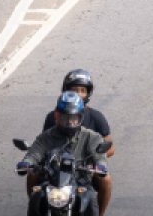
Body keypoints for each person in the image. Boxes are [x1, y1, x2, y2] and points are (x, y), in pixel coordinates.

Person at [21, 92, 110, 216]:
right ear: (57, 116)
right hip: (51, 180)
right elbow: (34, 153)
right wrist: (26, 163)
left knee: (90, 198)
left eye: (73, 118)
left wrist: (100, 166)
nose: (69, 122)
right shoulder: (47, 136)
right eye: (65, 117)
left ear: (80, 117)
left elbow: (100, 156)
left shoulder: (91, 136)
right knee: (36, 193)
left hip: (81, 180)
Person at [41, 70, 113, 211]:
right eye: (74, 90)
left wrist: (95, 162)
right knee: (33, 176)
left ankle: (101, 213)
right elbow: (44, 143)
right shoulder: (52, 117)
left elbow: (110, 147)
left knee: (106, 179)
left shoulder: (96, 118)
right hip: (57, 165)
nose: (78, 94)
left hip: (84, 167)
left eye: (82, 90)